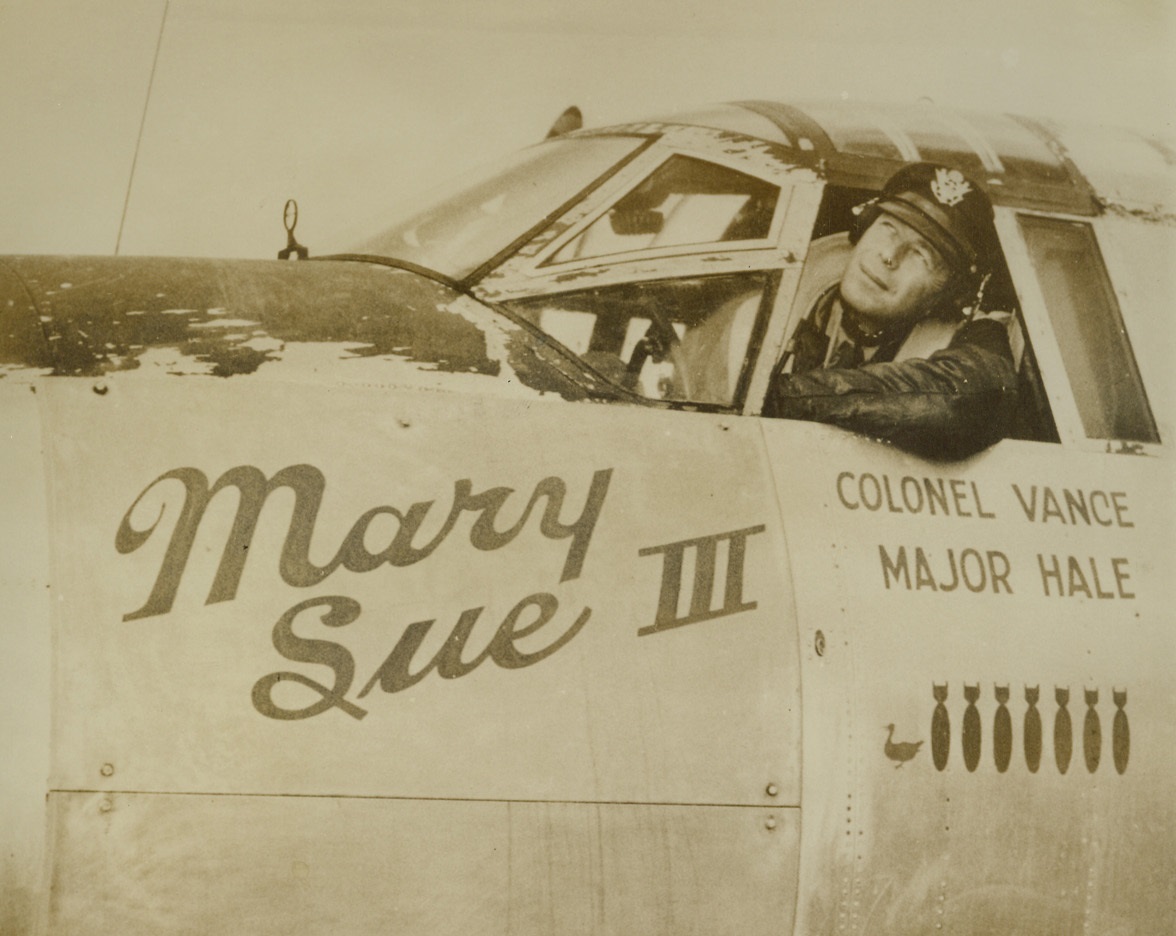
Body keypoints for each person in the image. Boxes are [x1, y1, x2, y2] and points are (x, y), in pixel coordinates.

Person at [762, 162, 1018, 459]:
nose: (889, 256)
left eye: (921, 255)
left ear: (948, 292)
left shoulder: (964, 341)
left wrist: (783, 398)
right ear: (863, 227)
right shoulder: (769, 299)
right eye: (888, 229)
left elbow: (974, 396)